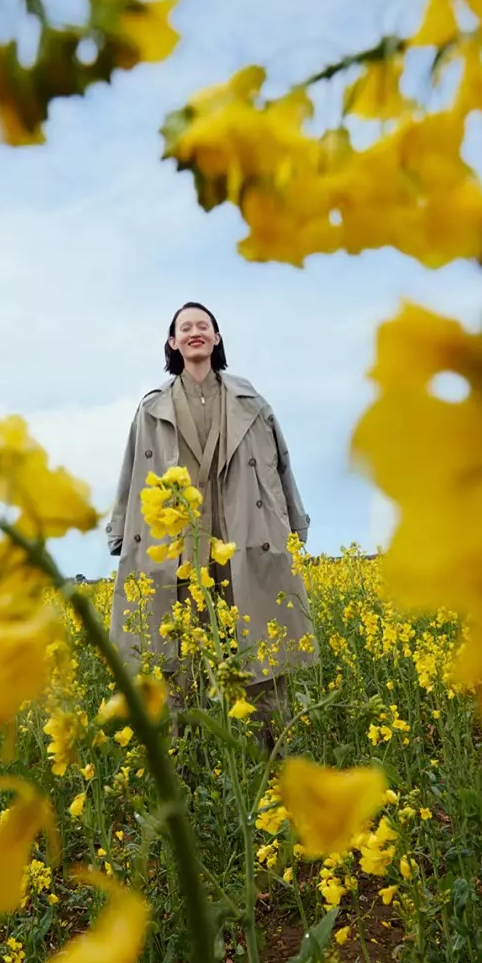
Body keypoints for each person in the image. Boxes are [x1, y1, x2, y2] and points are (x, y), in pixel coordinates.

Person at [106, 301, 314, 731]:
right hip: (179, 545)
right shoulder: (151, 410)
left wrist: (294, 527)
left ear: (216, 339)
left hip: (245, 536)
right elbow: (132, 473)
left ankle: (269, 761)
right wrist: (119, 531)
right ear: (173, 342)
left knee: (260, 653)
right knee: (177, 656)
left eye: (204, 325)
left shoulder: (252, 403)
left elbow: (281, 467)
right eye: (185, 327)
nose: (194, 332)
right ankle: (186, 765)